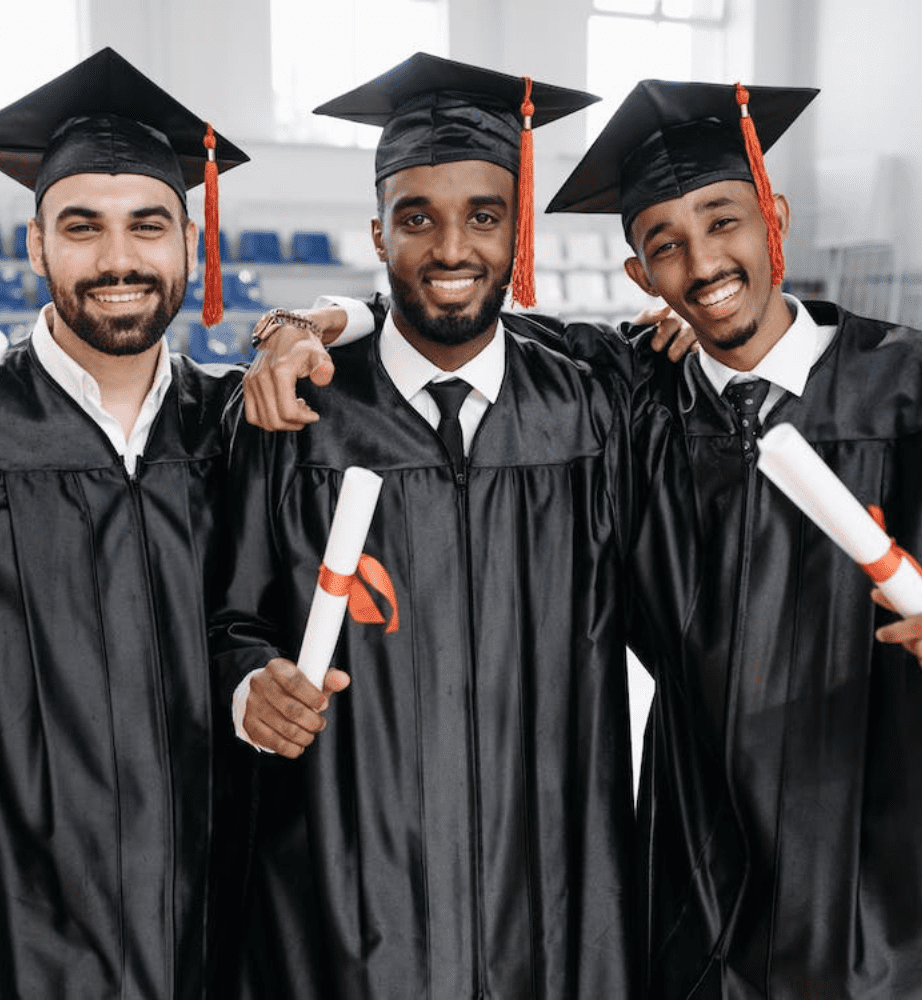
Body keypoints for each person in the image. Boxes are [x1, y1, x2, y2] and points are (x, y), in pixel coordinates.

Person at [211, 52, 685, 1000]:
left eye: (484, 214)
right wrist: (245, 687)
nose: (452, 246)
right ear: (379, 231)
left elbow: (690, 609)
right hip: (351, 909)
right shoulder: (293, 414)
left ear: (518, 234)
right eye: (418, 217)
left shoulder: (593, 407)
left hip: (553, 898)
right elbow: (228, 621)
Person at [545, 79, 922, 999]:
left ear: (774, 219)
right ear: (642, 278)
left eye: (725, 222)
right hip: (699, 867)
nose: (703, 260)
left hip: (877, 871)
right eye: (664, 245)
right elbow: (470, 343)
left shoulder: (904, 388)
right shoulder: (633, 403)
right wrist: (307, 323)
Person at [0, 48, 250, 999]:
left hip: (210, 921)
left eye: (148, 226)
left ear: (190, 241)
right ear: (36, 247)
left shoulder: (242, 435)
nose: (118, 260)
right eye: (82, 228)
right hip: (10, 933)